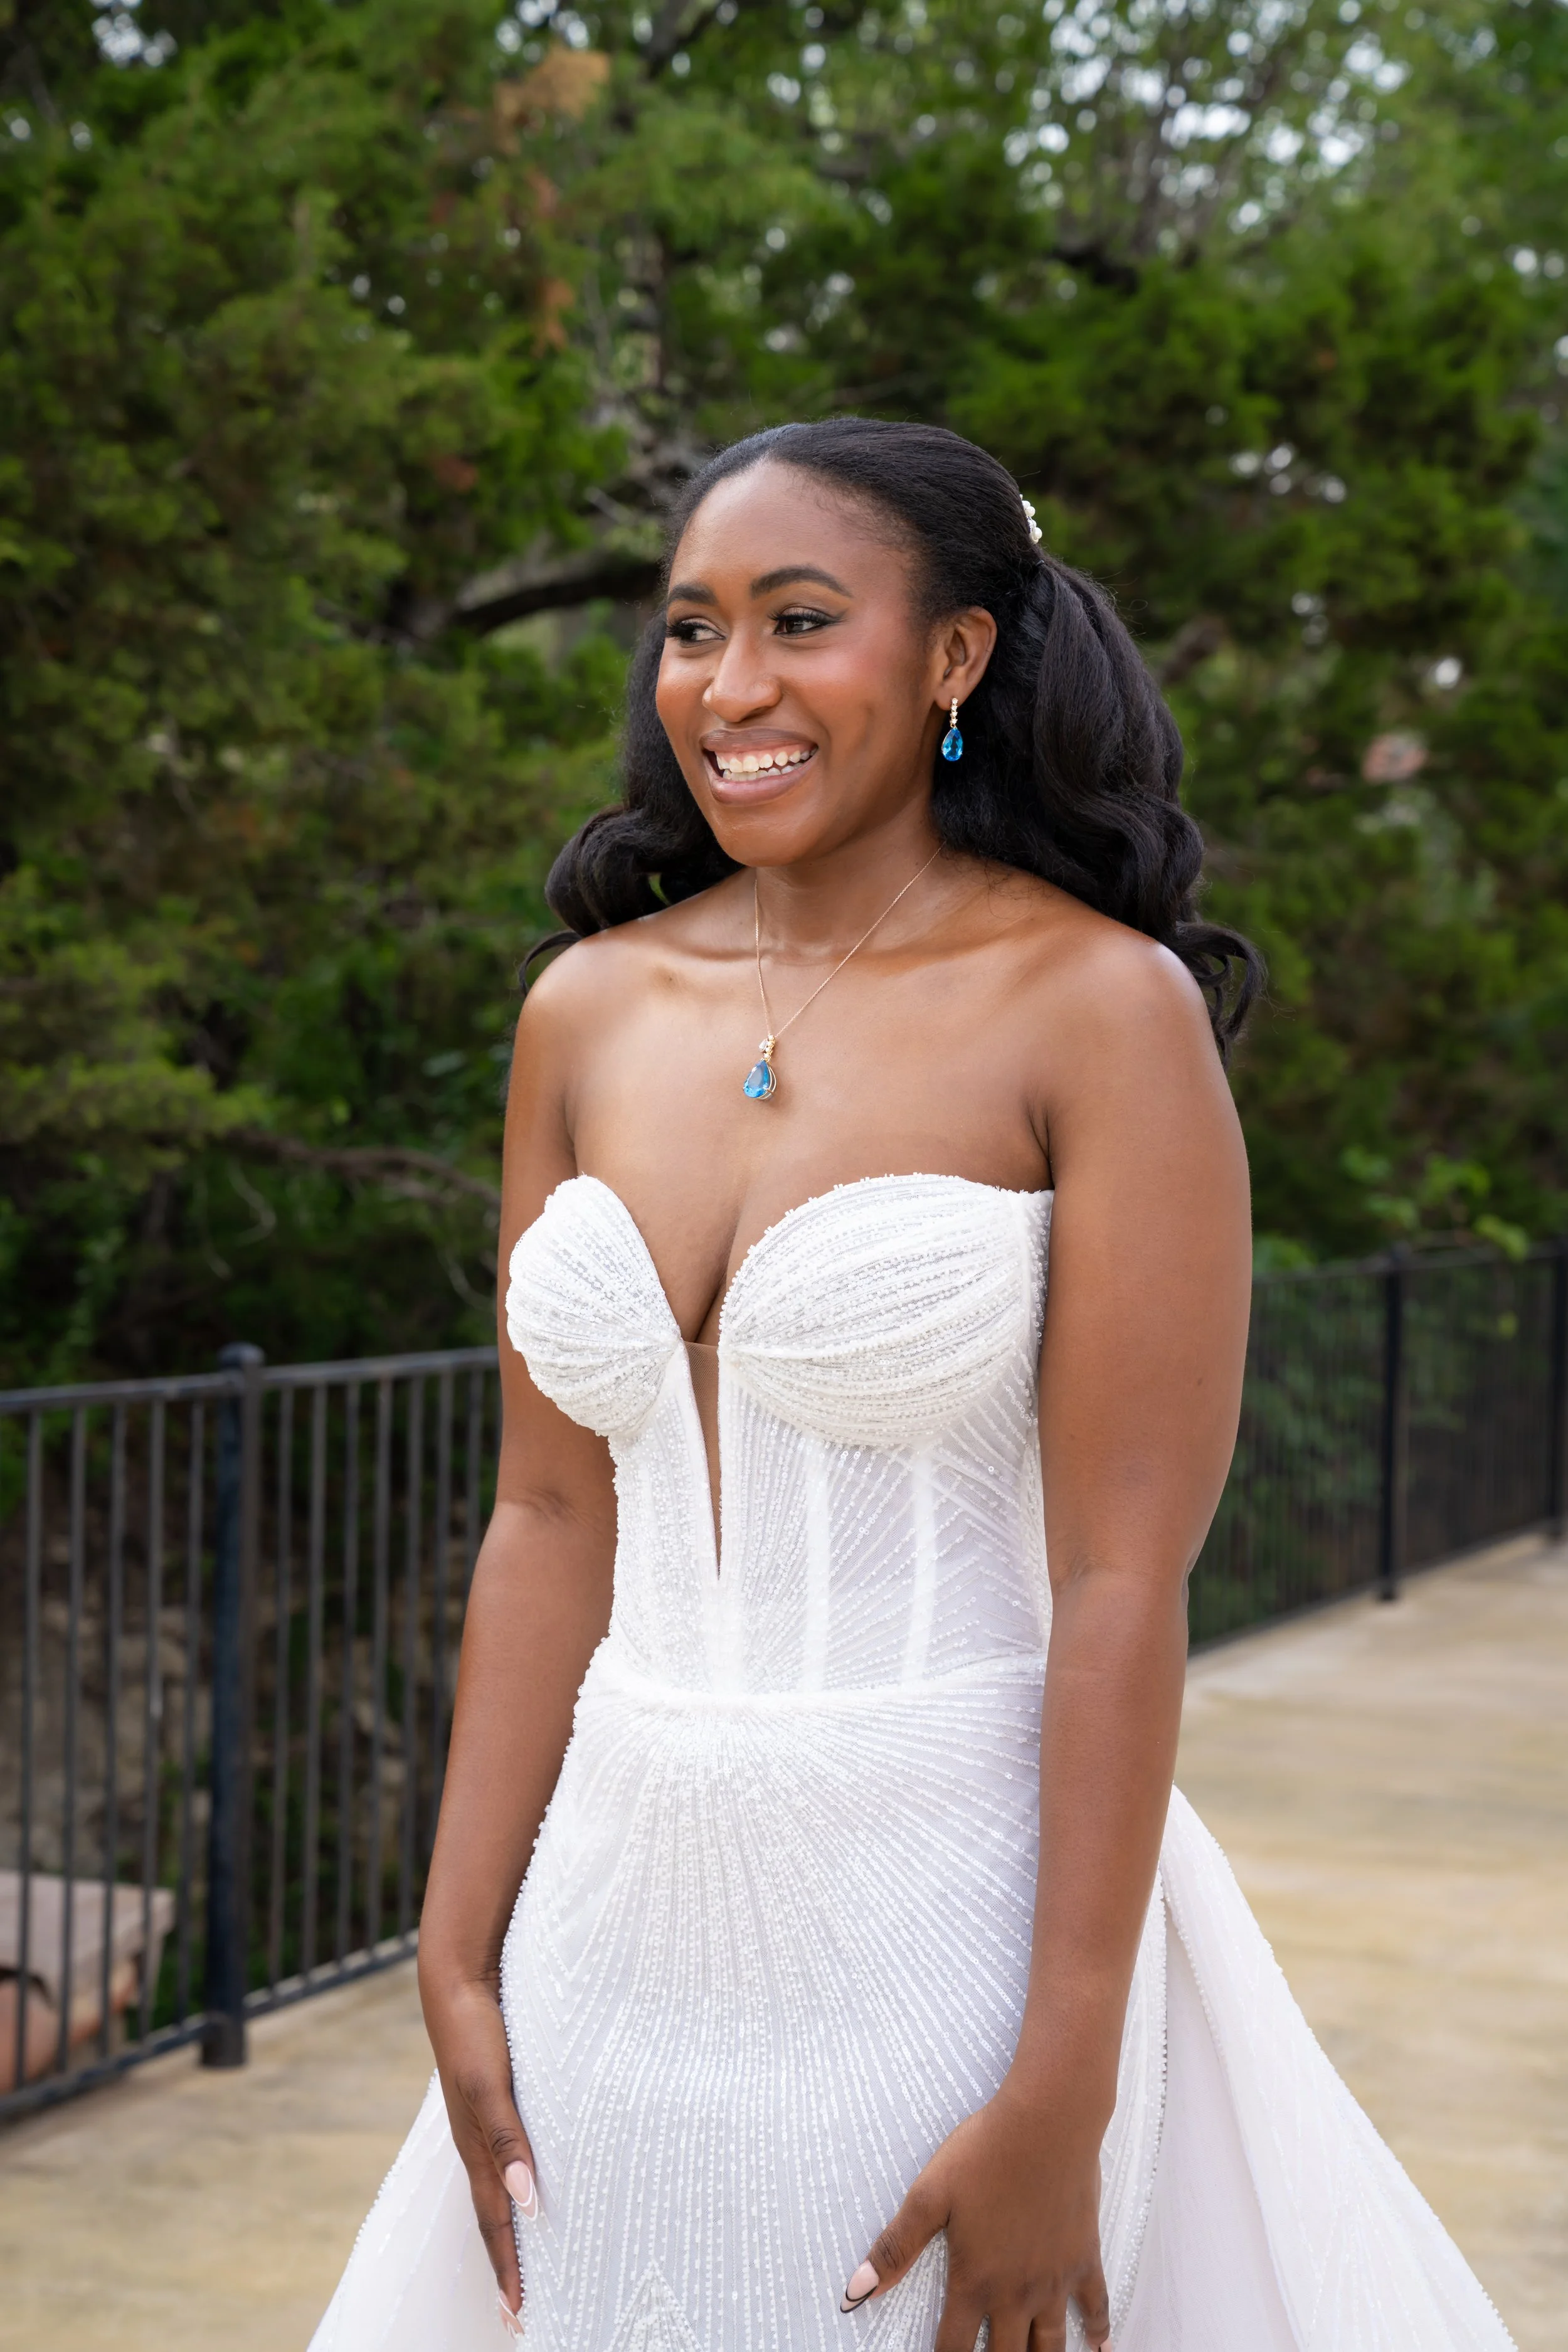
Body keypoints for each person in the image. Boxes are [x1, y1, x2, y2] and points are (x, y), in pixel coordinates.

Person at [310, 420, 1515, 2352]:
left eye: (802, 621)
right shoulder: (584, 1009)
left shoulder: (1096, 1008)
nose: (731, 685)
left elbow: (1120, 1575)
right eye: (691, 627)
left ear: (955, 654)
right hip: (605, 1921)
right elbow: (545, 1511)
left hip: (948, 1911)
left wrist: (1063, 2070)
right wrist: (454, 1949)